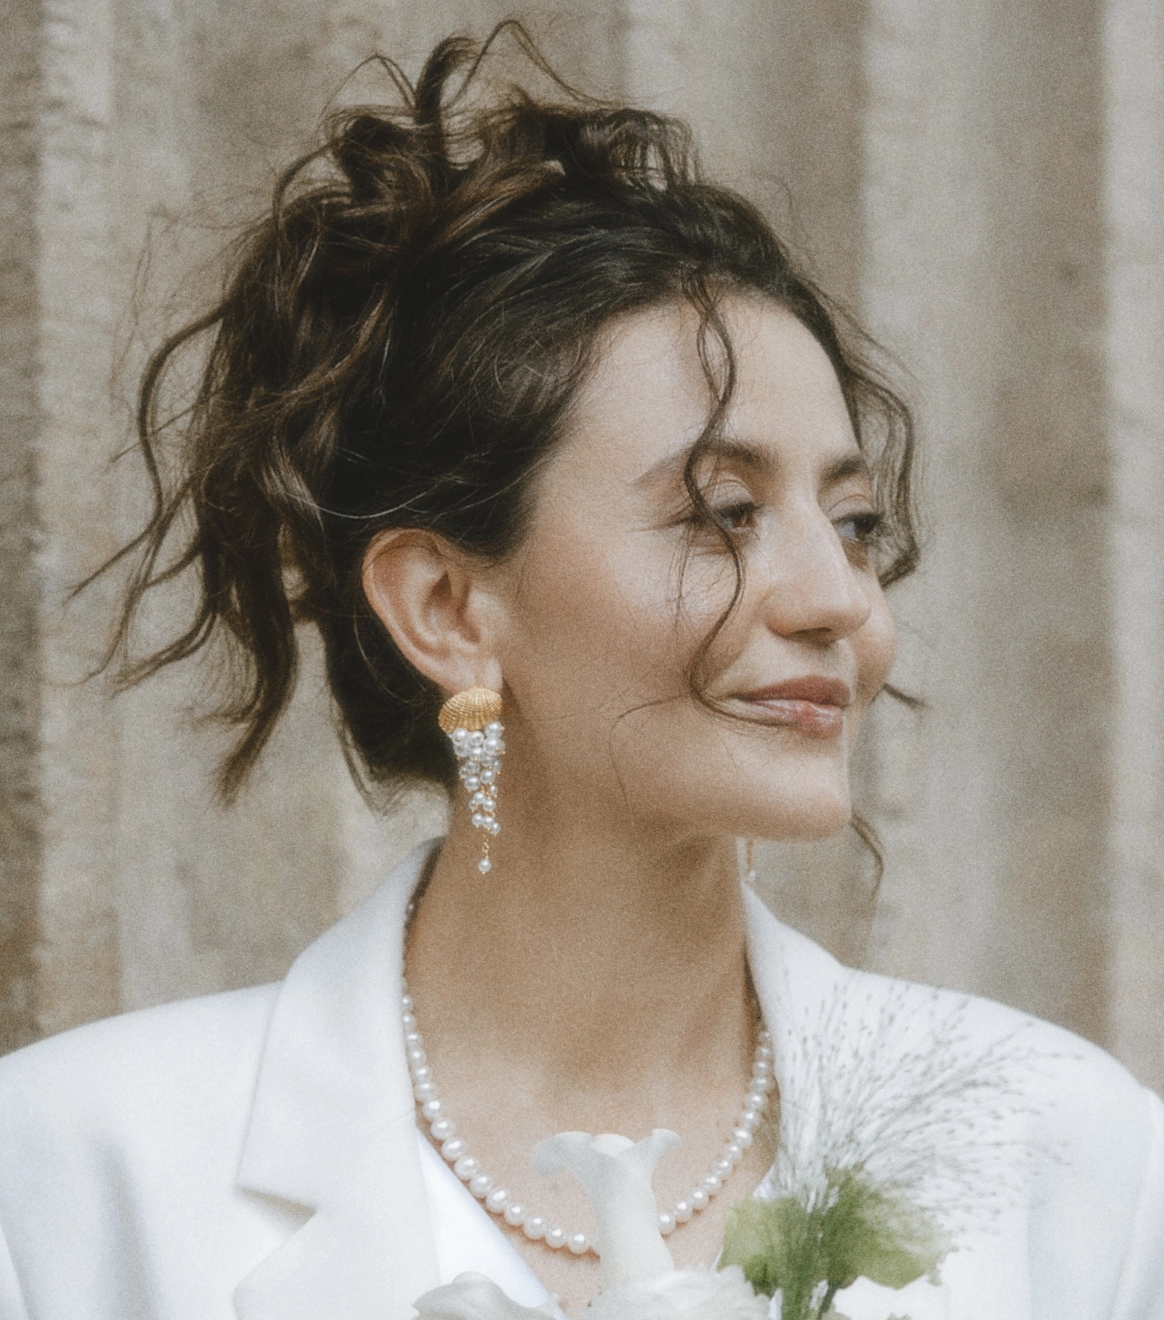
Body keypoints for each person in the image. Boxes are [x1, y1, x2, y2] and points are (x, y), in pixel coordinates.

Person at [0, 25, 1160, 1320]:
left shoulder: (1070, 1168)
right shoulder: (75, 1184)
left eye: (854, 524)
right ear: (446, 606)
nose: (841, 600)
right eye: (722, 513)